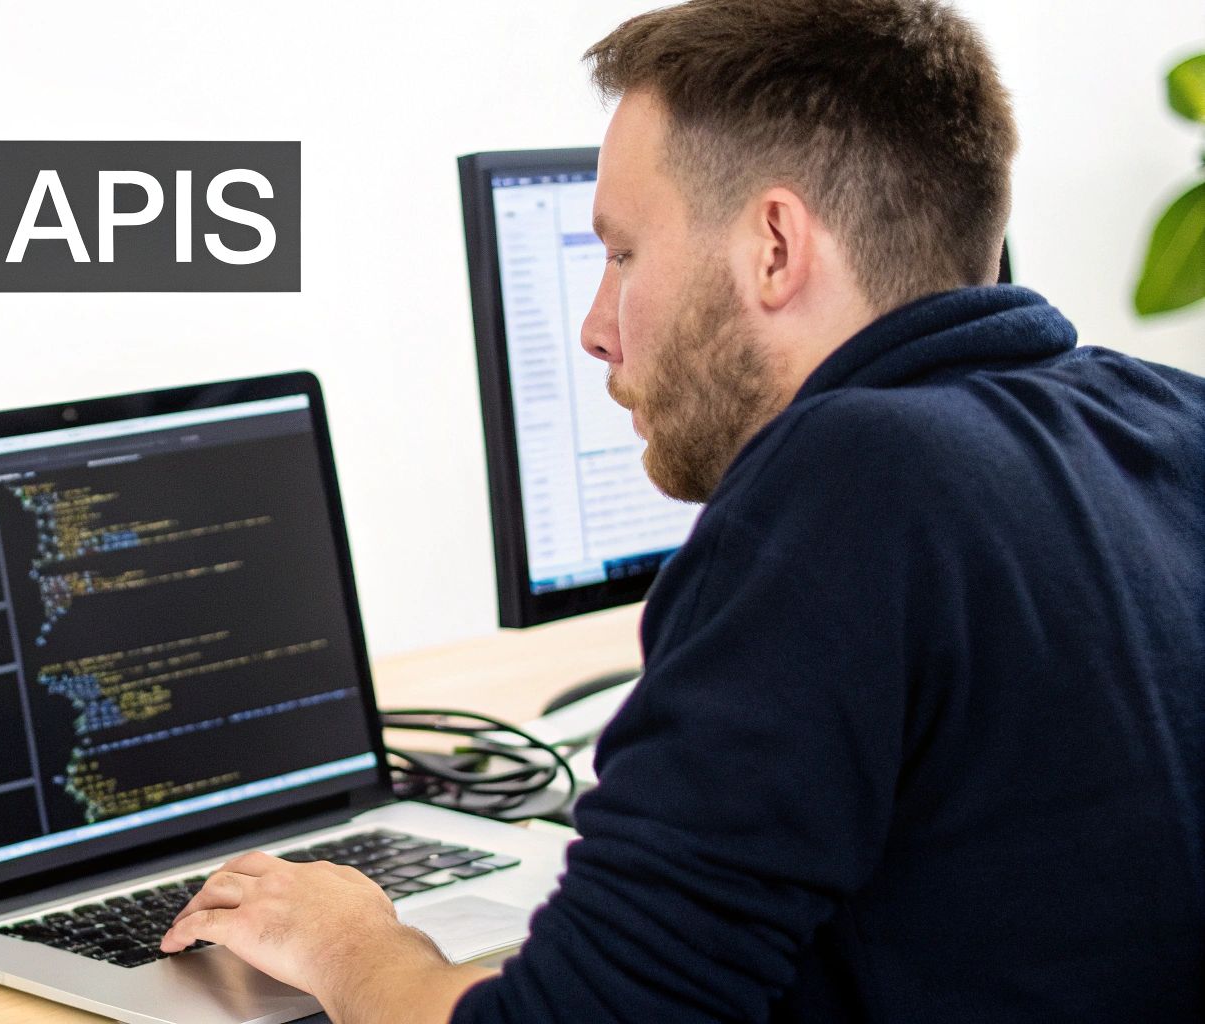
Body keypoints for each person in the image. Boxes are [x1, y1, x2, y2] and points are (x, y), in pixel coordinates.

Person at [158, 0, 1205, 1020]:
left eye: (619, 253)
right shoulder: (1170, 419)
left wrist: (352, 942)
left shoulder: (848, 482)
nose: (594, 328)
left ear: (773, 249)